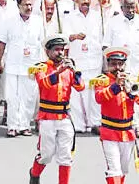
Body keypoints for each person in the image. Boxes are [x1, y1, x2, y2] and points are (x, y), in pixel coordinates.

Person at [27, 34, 86, 184]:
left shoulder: (68, 67)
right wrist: (59, 72)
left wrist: (75, 71)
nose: (60, 53)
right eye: (56, 50)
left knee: (65, 156)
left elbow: (80, 87)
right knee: (46, 155)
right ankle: (34, 173)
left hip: (64, 117)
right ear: (48, 51)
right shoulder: (41, 67)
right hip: (47, 118)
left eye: (62, 49)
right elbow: (44, 83)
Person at [93, 47, 139, 184]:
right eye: (114, 64)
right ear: (108, 64)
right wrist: (115, 86)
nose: (117, 67)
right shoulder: (101, 80)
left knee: (123, 170)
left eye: (120, 64)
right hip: (109, 131)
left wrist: (131, 91)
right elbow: (99, 97)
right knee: (114, 169)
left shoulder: (132, 80)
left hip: (127, 132)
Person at [0, 0, 43, 137]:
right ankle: (12, 126)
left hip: (31, 66)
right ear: (18, 6)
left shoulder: (38, 22)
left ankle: (24, 125)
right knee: (12, 97)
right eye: (25, 5)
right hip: (13, 65)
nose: (29, 7)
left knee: (28, 98)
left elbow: (43, 44)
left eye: (30, 4)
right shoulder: (9, 21)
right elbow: (2, 43)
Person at [62, 0, 104, 133]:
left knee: (93, 92)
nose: (85, 2)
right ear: (77, 0)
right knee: (77, 93)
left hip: (94, 60)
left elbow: (102, 38)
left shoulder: (98, 16)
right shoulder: (70, 17)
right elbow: (65, 37)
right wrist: (74, 36)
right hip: (77, 59)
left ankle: (95, 122)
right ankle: (78, 124)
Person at [102, 0, 139, 134]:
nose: (131, 10)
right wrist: (107, 67)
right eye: (128, 6)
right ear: (122, 8)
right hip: (118, 67)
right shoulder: (113, 22)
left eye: (133, 6)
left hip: (137, 65)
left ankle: (136, 125)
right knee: (119, 97)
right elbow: (105, 46)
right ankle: (121, 124)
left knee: (135, 93)